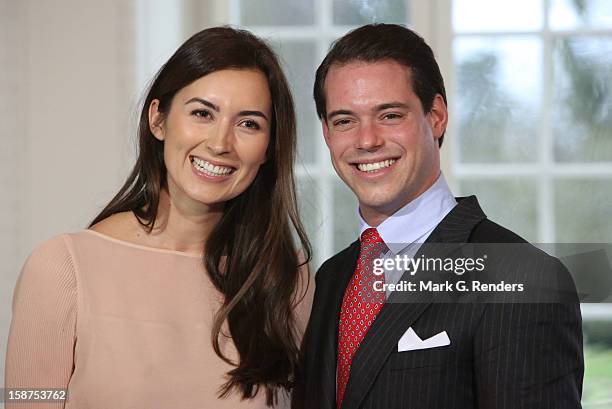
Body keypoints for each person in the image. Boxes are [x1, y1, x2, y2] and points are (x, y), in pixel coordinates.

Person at [5, 26, 314, 409]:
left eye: (248, 123)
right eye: (202, 113)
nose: (220, 143)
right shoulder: (62, 268)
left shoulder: (288, 280)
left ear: (268, 146)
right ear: (158, 120)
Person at [293, 23, 583, 409]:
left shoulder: (523, 278)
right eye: (344, 120)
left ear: (436, 116)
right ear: (328, 134)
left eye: (390, 115)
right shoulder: (329, 279)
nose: (366, 140)